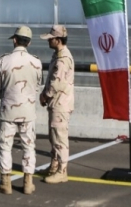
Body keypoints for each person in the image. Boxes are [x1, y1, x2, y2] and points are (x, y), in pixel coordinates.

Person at [0, 26, 43, 195]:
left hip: (8, 111)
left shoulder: (3, 61)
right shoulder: (36, 62)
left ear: (15, 40)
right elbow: (37, 87)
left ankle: (6, 183)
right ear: (29, 42)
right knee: (29, 147)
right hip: (28, 111)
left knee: (5, 147)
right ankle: (28, 183)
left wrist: (8, 97)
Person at [39, 25, 75, 184]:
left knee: (60, 137)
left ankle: (62, 171)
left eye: (51, 38)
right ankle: (54, 165)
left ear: (58, 40)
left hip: (60, 103)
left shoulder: (63, 59)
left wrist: (45, 96)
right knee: (53, 136)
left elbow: (56, 83)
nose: (48, 40)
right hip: (57, 103)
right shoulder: (58, 55)